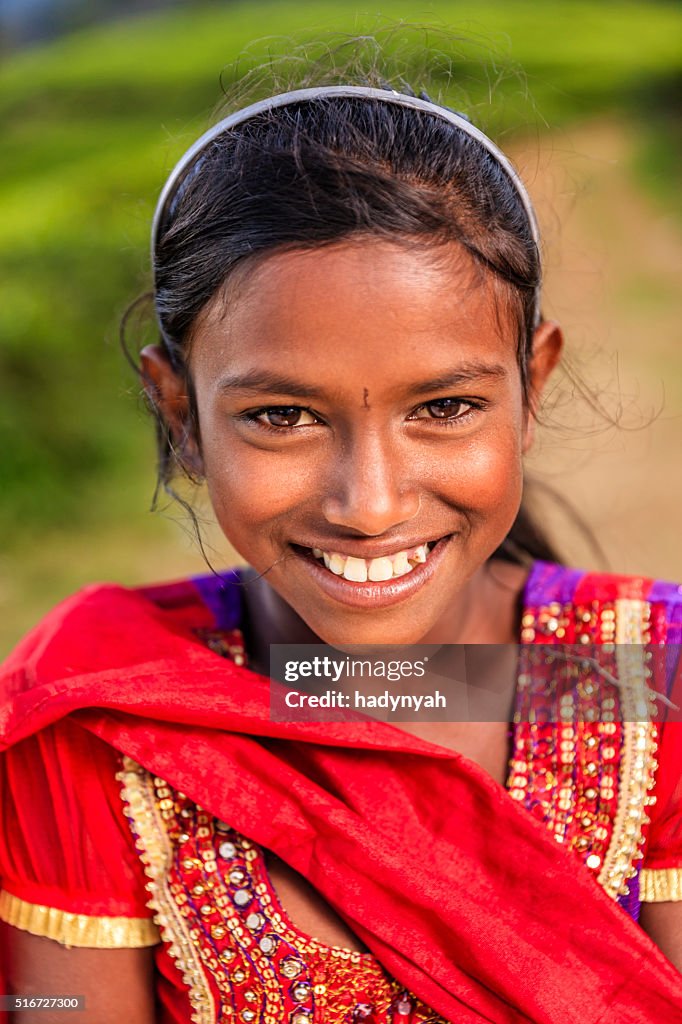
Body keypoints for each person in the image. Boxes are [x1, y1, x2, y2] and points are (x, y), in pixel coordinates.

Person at [1, 75, 681, 1024]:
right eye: (282, 416)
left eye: (445, 408)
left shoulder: (651, 681)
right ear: (180, 415)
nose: (369, 505)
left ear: (533, 387)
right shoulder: (94, 723)